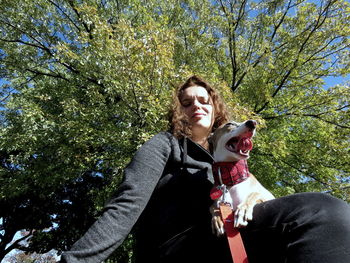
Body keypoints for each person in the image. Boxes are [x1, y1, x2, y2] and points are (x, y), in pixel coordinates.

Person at [61, 75, 350, 263]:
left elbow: (268, 200)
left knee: (325, 216)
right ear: (178, 112)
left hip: (229, 243)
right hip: (177, 250)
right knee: (321, 212)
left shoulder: (232, 166)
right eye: (186, 103)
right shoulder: (165, 145)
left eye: (203, 100)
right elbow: (124, 206)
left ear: (215, 110)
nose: (195, 106)